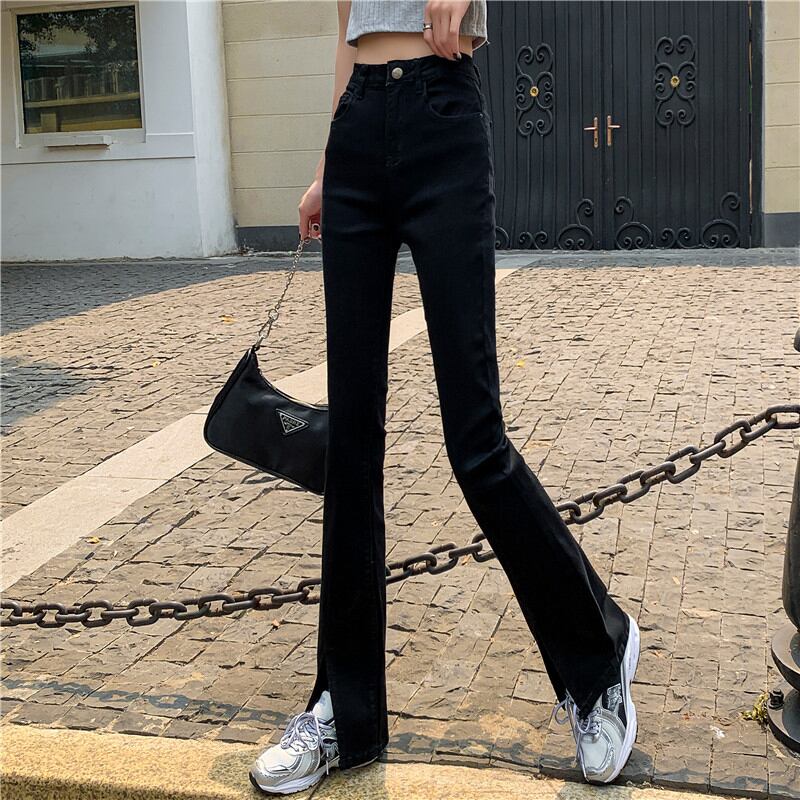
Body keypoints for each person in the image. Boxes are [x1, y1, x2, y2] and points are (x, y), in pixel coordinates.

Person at [249, 1, 640, 795]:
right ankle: (342, 709)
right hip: (357, 130)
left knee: (476, 441)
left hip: (442, 116)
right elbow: (347, 23)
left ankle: (598, 660)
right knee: (350, 445)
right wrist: (327, 165)